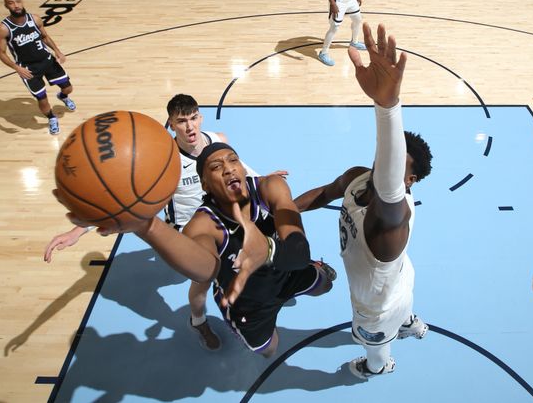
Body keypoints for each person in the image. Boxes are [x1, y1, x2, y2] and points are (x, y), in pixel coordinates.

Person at [53, 143, 336, 358]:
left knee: (325, 284)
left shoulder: (270, 186)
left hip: (286, 273)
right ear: (204, 183)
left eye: (233, 160)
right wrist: (145, 225)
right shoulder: (203, 225)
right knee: (269, 349)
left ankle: (311, 275)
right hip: (248, 302)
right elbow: (203, 269)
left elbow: (297, 249)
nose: (228, 168)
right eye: (216, 167)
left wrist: (270, 249)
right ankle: (200, 321)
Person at [45, 94, 278, 351]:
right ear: (171, 123)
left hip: (221, 219)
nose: (189, 127)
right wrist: (79, 230)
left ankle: (273, 289)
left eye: (192, 118)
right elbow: (120, 197)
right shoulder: (163, 156)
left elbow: (239, 167)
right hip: (190, 233)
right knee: (201, 283)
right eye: (181, 121)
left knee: (255, 251)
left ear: (200, 117)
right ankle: (198, 321)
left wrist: (262, 179)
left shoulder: (218, 140)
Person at [295, 23, 433, 378]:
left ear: (410, 181)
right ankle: (408, 323)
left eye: (395, 159)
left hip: (376, 306)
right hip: (400, 281)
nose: (383, 158)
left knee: (371, 348)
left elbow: (389, 186)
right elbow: (325, 192)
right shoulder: (359, 176)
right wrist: (281, 211)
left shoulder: (392, 221)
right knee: (405, 288)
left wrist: (388, 108)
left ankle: (377, 366)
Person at [0, 0, 75, 135]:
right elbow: (1, 53)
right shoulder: (4, 28)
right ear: (6, 6)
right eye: (11, 3)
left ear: (22, 1)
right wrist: (16, 67)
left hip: (47, 60)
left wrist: (57, 51)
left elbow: (44, 36)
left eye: (18, 1)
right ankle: (51, 118)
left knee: (68, 88)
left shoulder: (35, 19)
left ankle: (62, 96)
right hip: (28, 69)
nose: (16, 5)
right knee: (42, 100)